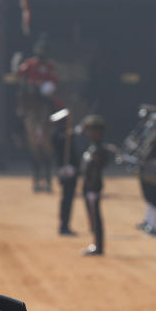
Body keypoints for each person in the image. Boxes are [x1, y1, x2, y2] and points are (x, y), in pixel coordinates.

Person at [80, 114, 117, 255]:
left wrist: (91, 187)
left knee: (96, 218)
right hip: (89, 186)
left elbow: (95, 169)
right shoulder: (93, 147)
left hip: (93, 187)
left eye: (91, 130)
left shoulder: (99, 149)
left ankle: (99, 246)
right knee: (92, 218)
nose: (88, 133)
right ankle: (96, 244)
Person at [51, 107, 79, 235]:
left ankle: (65, 224)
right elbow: (59, 142)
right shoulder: (58, 135)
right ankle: (63, 226)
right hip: (64, 170)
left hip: (71, 169)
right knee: (66, 199)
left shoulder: (67, 134)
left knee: (69, 198)